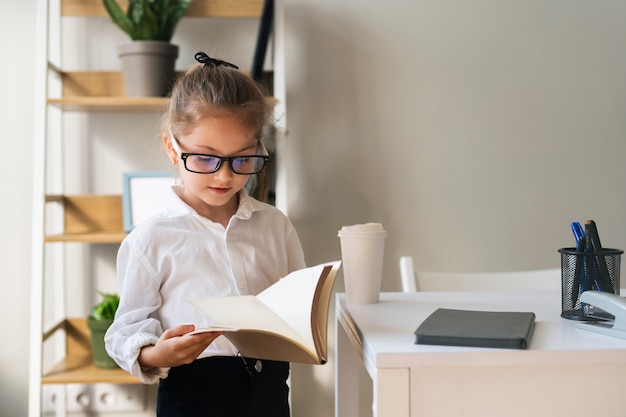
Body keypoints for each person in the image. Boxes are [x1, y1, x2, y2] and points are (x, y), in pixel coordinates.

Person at [105, 52, 306, 417]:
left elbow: (298, 307)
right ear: (172, 147)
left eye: (243, 159)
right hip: (193, 395)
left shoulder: (276, 226)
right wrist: (157, 354)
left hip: (270, 393)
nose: (224, 176)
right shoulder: (152, 239)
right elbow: (123, 332)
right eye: (205, 158)